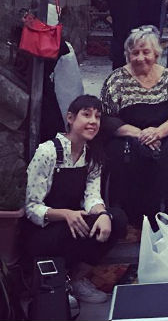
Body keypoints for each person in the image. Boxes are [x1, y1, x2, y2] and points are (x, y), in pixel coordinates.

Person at [24, 95, 127, 304]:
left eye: (97, 117)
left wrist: (103, 214)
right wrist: (65, 214)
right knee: (70, 230)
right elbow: (31, 207)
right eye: (86, 115)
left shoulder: (93, 154)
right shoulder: (48, 151)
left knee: (116, 219)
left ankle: (77, 280)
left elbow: (92, 195)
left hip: (76, 223)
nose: (93, 121)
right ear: (70, 118)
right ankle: (56, 282)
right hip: (45, 231)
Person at [100, 26, 168, 227]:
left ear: (156, 54)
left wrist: (158, 133)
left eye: (146, 52)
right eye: (135, 52)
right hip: (128, 134)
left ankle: (166, 214)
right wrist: (140, 134)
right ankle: (128, 218)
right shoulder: (117, 79)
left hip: (164, 133)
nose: (140, 58)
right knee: (121, 152)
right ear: (128, 54)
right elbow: (107, 118)